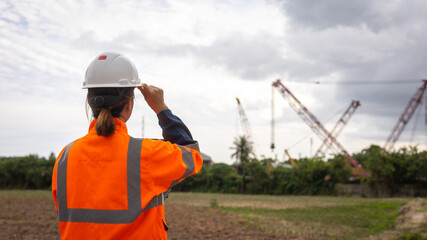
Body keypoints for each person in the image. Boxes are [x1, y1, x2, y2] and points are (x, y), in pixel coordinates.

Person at [51, 52, 203, 239]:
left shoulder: (65, 157)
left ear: (90, 102)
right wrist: (161, 109)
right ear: (129, 104)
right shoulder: (146, 155)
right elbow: (192, 154)